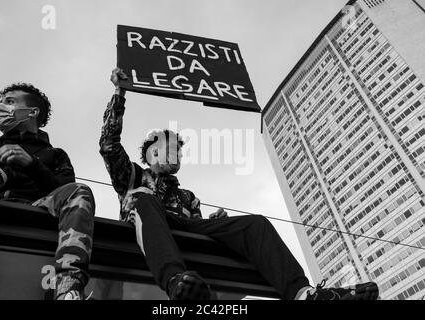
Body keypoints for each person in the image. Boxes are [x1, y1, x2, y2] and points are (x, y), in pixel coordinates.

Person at [99, 68, 379, 300]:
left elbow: (196, 233)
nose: (178, 155)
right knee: (144, 201)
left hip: (183, 231)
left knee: (255, 224)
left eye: (179, 151)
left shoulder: (187, 197)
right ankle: (175, 281)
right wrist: (119, 94)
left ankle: (303, 294)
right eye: (171, 148)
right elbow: (109, 145)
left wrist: (214, 223)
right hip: (149, 226)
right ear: (153, 152)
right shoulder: (133, 176)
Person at [0, 83, 95, 300]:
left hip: (35, 207)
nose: (1, 107)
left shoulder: (55, 155)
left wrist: (32, 165)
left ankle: (68, 287)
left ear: (32, 112)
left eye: (10, 102)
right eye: (1, 102)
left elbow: (67, 193)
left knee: (79, 190)